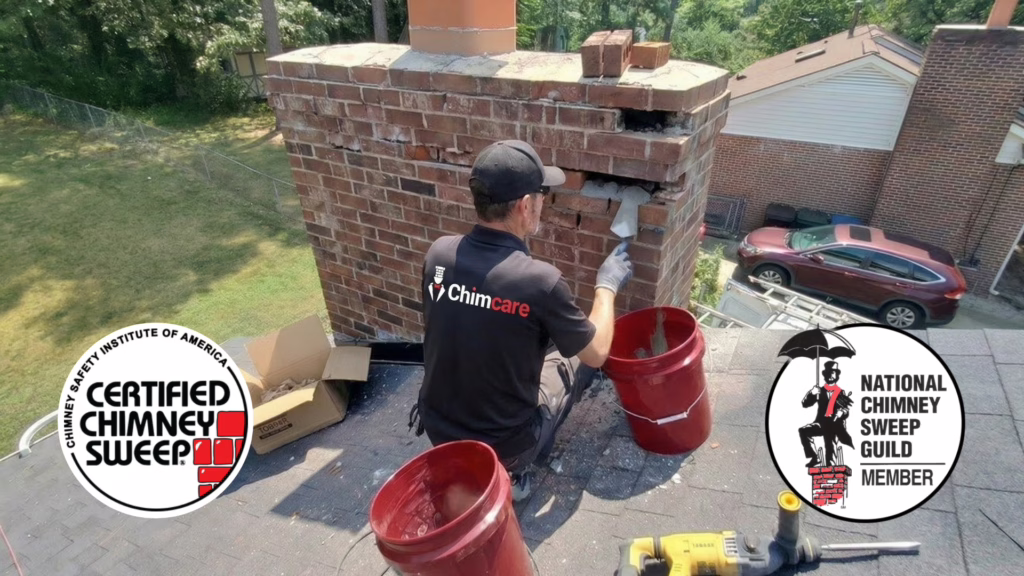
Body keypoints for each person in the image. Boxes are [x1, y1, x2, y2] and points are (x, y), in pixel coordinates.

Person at [408, 140, 634, 500]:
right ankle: (511, 475)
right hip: (505, 445)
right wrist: (606, 285)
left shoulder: (439, 253)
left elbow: (466, 315)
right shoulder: (540, 282)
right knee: (574, 357)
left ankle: (472, 463)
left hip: (439, 429)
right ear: (526, 205)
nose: (543, 204)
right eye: (543, 196)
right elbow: (597, 352)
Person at [798, 360, 853, 468]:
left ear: (837, 375)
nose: (831, 375)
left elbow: (846, 410)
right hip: (821, 423)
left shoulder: (841, 392)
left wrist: (842, 413)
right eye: (828, 372)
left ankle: (831, 470)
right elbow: (805, 404)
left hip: (834, 424)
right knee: (803, 431)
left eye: (833, 372)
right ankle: (815, 457)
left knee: (830, 445)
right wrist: (811, 393)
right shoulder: (820, 391)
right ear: (825, 374)